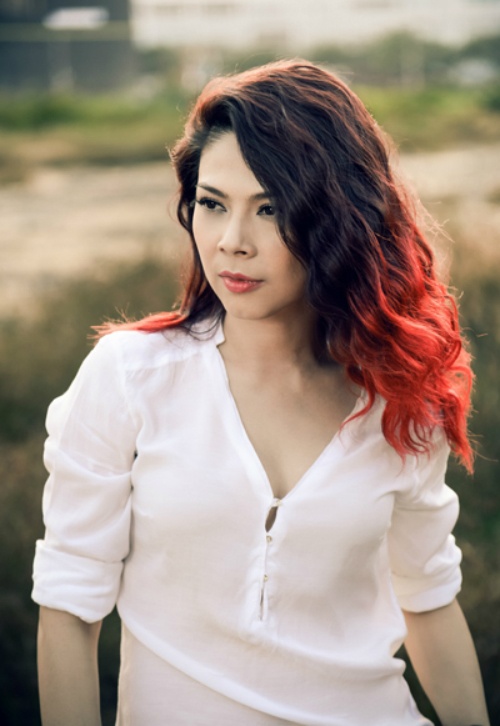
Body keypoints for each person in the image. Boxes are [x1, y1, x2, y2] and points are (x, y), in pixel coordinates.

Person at [32, 60, 490, 726]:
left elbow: (430, 600)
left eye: (270, 209)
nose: (232, 243)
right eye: (213, 204)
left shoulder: (398, 397)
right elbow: (69, 605)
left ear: (337, 218)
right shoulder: (130, 377)